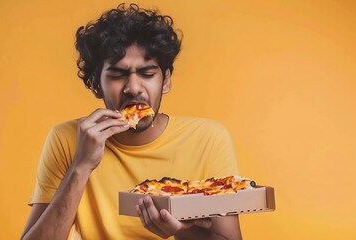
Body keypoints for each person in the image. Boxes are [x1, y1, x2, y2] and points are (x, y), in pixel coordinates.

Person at [21, 3, 242, 240]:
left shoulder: (208, 139)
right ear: (96, 84)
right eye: (117, 75)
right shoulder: (67, 139)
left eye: (147, 74)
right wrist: (82, 165)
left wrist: (179, 232)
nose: (133, 88)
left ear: (166, 81)